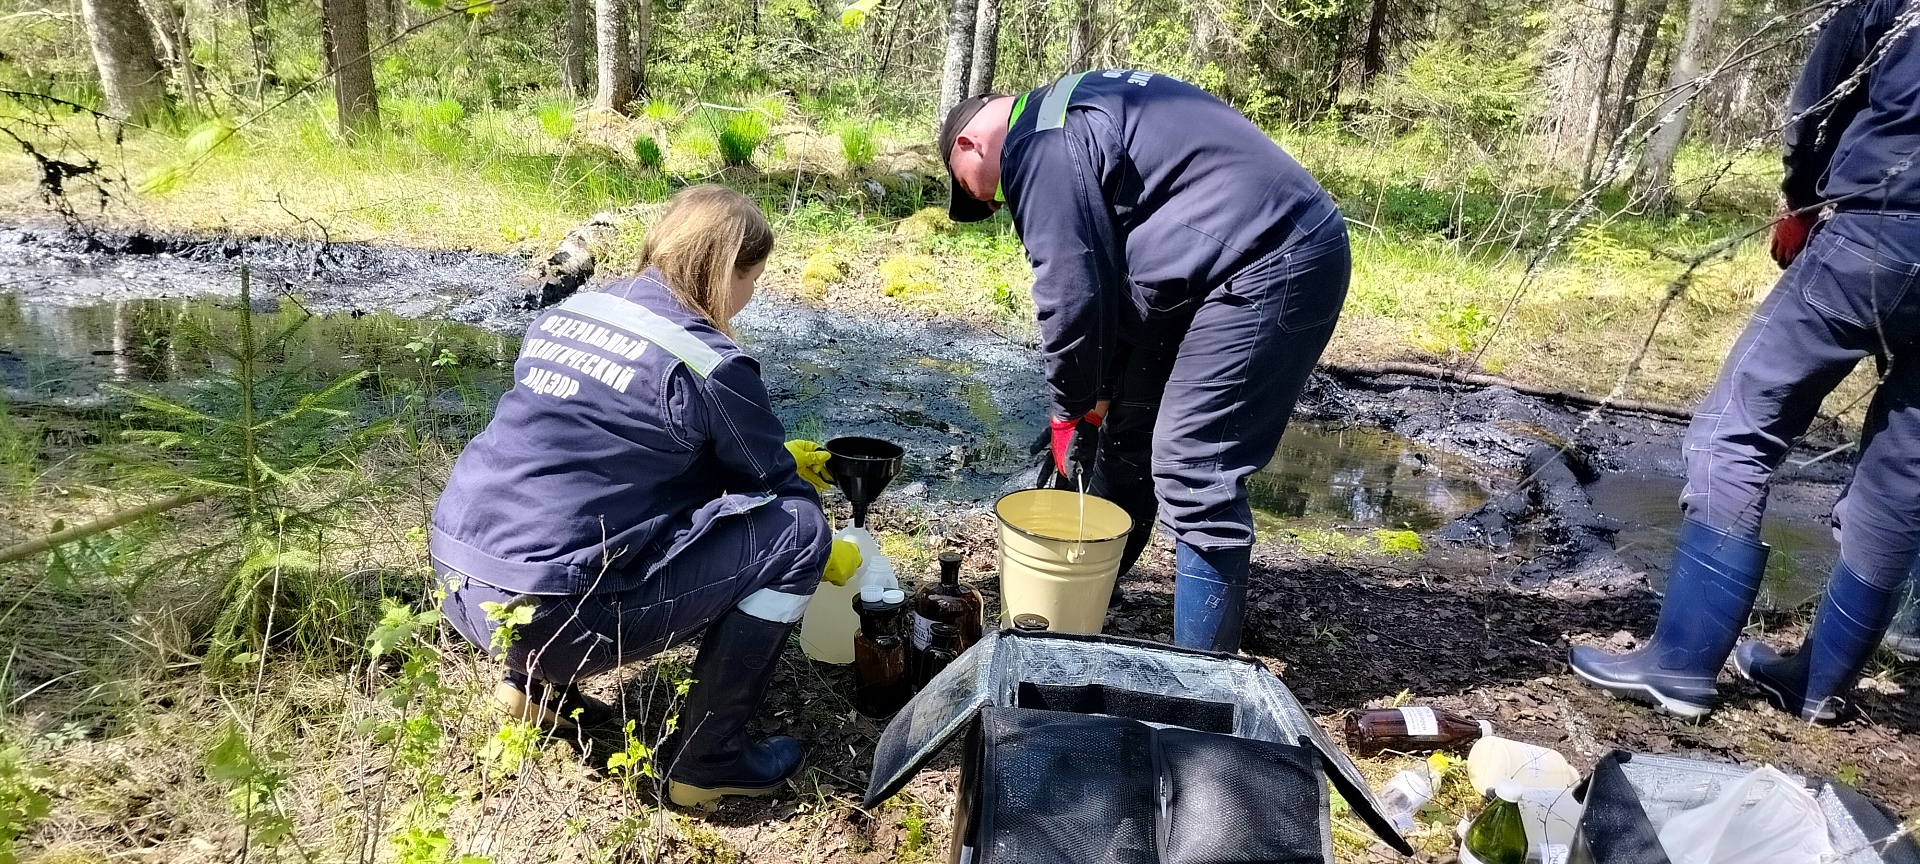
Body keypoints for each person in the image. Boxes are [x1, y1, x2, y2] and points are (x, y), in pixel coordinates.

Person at [429, 185, 856, 806]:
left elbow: (600, 458)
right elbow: (767, 486)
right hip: (554, 617)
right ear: (725, 269)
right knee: (800, 532)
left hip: (459, 580)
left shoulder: (571, 312)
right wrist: (810, 518)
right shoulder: (709, 362)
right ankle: (707, 763)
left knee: (562, 517)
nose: (752, 296)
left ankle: (528, 691)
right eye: (753, 278)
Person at [1570, 2, 1919, 722]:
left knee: (1739, 426)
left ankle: (1679, 665)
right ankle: (1815, 685)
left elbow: (1823, 97)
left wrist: (1802, 197)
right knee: (1904, 471)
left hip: (1880, 229)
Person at [941, 71, 1351, 653]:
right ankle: (1088, 589)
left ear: (969, 146)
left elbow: (1071, 293)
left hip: (1269, 262)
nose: (992, 200)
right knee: (1125, 428)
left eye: (981, 192)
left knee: (1194, 466)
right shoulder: (1076, 112)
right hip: (1217, 264)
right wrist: (1094, 404)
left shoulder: (1039, 141)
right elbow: (1111, 280)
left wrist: (1065, 409)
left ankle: (1203, 682)